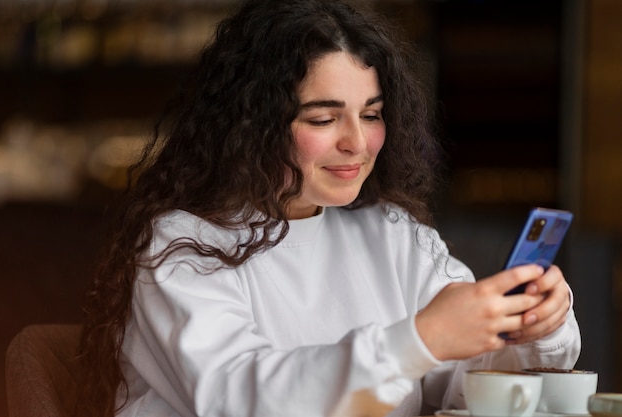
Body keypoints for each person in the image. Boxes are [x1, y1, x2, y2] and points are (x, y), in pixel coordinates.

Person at [78, 0, 581, 416]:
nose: (358, 143)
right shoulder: (182, 244)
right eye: (323, 119)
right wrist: (419, 338)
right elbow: (240, 400)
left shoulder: (392, 235)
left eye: (372, 114)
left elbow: (463, 390)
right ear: (250, 124)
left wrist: (529, 330)